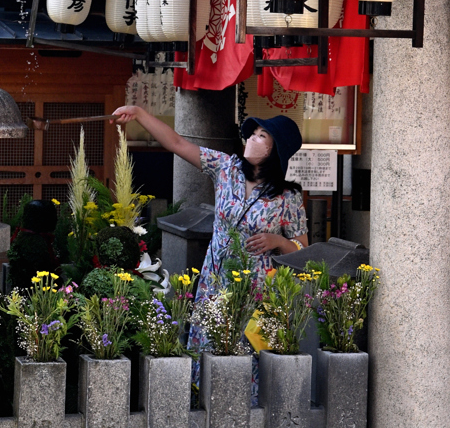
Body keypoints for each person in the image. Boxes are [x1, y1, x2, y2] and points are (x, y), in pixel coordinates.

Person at [109, 105, 308, 344]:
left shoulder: (287, 196)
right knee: (209, 347)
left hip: (257, 289)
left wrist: (278, 241)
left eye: (262, 136)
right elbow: (177, 144)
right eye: (253, 133)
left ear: (275, 149)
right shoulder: (225, 168)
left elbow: (302, 249)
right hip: (215, 279)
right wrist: (139, 114)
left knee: (249, 354)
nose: (253, 138)